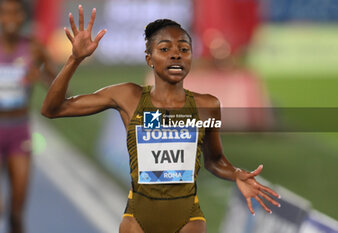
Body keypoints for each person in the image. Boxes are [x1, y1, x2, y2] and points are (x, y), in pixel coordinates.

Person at [41, 5, 281, 233]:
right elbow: (52, 109)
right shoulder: (128, 96)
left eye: (183, 49)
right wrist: (75, 59)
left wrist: (236, 173)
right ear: (149, 58)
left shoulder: (207, 105)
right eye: (165, 49)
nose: (175, 55)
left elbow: (214, 160)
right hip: (138, 220)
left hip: (188, 220)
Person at [0, 0, 56, 232]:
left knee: (16, 213)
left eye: (16, 13)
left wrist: (41, 76)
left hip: (19, 132)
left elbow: (62, 90)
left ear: (24, 17)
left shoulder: (34, 48)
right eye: (5, 13)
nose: (11, 19)